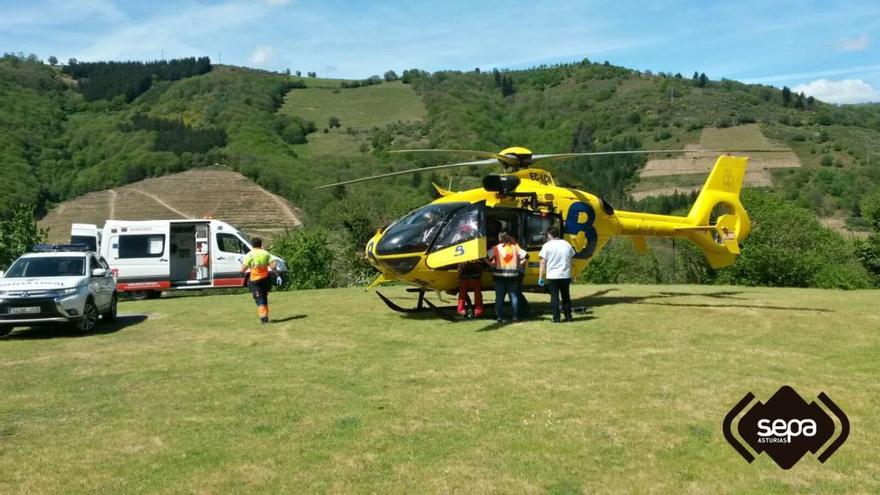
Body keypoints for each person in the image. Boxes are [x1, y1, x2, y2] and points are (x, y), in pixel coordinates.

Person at [538, 226, 576, 323]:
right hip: (565, 275)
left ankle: (556, 318)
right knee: (566, 297)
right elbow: (572, 260)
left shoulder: (547, 246)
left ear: (550, 235)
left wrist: (540, 277)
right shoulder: (566, 244)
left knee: (554, 297)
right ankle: (568, 317)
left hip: (553, 276)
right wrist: (573, 274)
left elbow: (543, 262)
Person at [487, 232, 527, 322]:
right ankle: (515, 316)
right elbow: (527, 256)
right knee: (514, 297)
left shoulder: (496, 248)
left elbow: (485, 256)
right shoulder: (515, 247)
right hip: (513, 276)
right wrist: (519, 264)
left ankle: (500, 317)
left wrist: (490, 264)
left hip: (499, 277)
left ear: (500, 238)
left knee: (499, 297)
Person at [240, 237, 277, 324]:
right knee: (264, 297)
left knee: (259, 299)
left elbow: (243, 268)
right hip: (266, 279)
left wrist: (241, 273)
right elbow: (273, 265)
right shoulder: (266, 253)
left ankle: (263, 318)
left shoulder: (250, 254)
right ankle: (266, 315)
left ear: (252, 245)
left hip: (255, 280)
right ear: (260, 244)